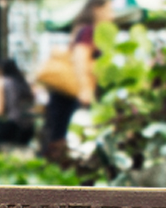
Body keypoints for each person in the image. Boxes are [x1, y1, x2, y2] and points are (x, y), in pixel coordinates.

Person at [40, 0, 113, 165]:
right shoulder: (88, 31)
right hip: (72, 91)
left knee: (59, 133)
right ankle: (53, 178)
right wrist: (85, 89)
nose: (112, 15)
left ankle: (55, 173)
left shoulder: (86, 30)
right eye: (109, 9)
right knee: (60, 135)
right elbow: (80, 58)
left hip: (69, 91)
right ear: (97, 9)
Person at [0, 59, 35, 151]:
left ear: (0, 70)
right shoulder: (23, 82)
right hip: (29, 129)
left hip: (11, 128)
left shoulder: (1, 82)